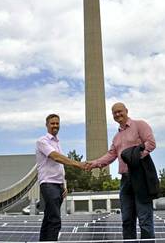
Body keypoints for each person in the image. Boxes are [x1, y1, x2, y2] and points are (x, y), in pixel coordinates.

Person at [85, 102, 157, 239]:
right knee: (127, 220)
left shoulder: (139, 125)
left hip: (140, 177)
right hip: (125, 179)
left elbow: (151, 143)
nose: (118, 114)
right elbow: (110, 155)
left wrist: (135, 156)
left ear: (126, 111)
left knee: (144, 220)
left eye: (120, 111)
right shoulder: (116, 137)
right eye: (114, 113)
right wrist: (94, 163)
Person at [36, 113, 86, 241]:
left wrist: (64, 184)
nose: (55, 126)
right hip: (48, 184)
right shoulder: (42, 141)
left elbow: (59, 166)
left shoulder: (58, 143)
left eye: (57, 123)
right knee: (55, 220)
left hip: (58, 185)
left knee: (48, 218)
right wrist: (78, 164)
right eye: (52, 123)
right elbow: (56, 157)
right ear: (46, 125)